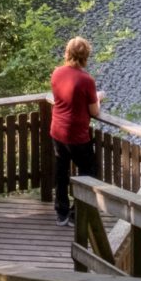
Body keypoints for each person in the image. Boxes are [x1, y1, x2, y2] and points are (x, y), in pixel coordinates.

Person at [49, 36, 101, 226]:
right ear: (86, 56)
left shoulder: (57, 73)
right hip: (77, 136)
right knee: (88, 173)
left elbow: (63, 98)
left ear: (68, 53)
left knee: (61, 172)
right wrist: (98, 97)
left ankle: (61, 212)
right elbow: (94, 111)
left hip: (57, 131)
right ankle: (76, 215)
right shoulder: (86, 80)